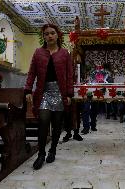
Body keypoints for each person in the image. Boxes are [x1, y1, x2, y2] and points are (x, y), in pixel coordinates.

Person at [24, 24, 73, 170]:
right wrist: (27, 89)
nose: (49, 36)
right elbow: (32, 72)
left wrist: (69, 93)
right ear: (43, 36)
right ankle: (41, 154)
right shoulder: (38, 53)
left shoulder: (65, 54)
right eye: (46, 34)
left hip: (60, 92)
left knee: (57, 125)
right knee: (43, 121)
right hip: (43, 92)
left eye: (52, 33)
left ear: (57, 35)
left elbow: (70, 75)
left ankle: (53, 149)